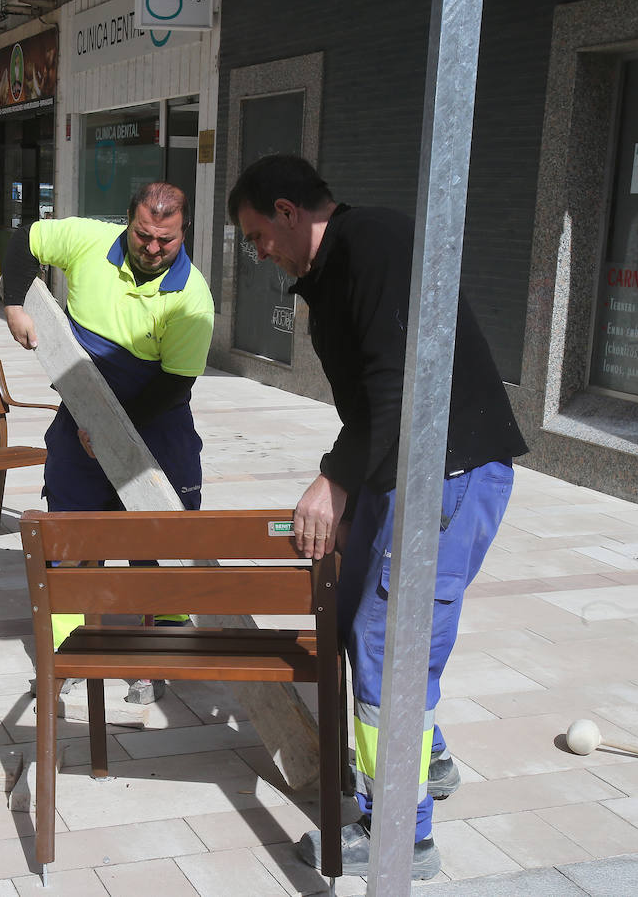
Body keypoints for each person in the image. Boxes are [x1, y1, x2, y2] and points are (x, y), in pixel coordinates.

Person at [226, 154, 528, 879]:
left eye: (256, 234)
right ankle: (432, 757)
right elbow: (370, 402)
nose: (257, 251)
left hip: (448, 478)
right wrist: (359, 493)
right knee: (360, 613)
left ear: (289, 212)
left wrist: (332, 483)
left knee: (390, 645)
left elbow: (398, 384)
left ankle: (402, 834)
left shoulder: (374, 245)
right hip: (404, 477)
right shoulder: (331, 276)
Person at [1, 183, 214, 703]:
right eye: (143, 234)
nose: (153, 248)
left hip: (156, 419)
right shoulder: (87, 240)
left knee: (160, 540)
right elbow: (21, 239)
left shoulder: (192, 299)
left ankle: (155, 658)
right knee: (71, 534)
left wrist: (110, 427)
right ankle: (71, 650)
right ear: (127, 222)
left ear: (184, 231)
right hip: (81, 411)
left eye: (166, 238)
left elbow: (175, 384)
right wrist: (13, 305)